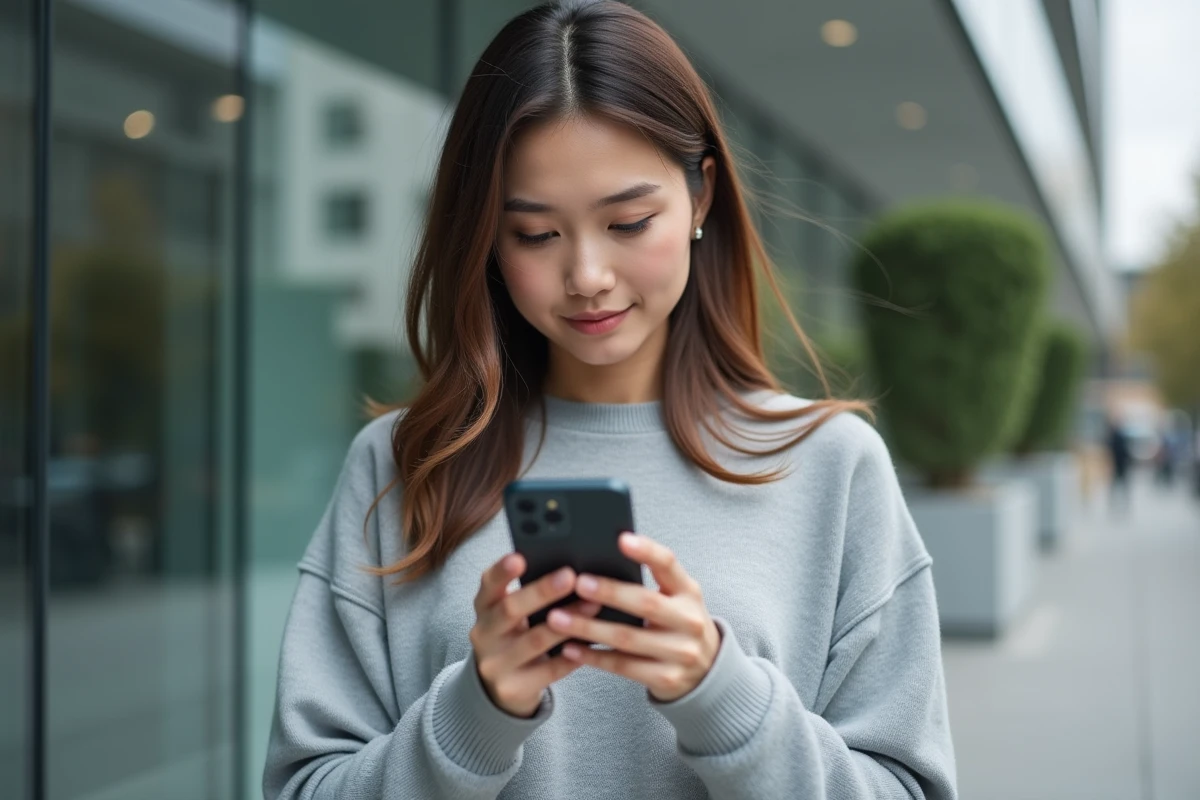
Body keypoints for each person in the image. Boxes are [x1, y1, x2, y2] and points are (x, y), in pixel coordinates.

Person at [263, 3, 957, 798]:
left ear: (700, 196)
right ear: (486, 237)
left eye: (628, 221)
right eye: (534, 234)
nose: (587, 274)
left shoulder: (830, 467)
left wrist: (722, 695)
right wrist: (474, 713)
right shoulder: (402, 466)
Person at [1107, 415, 1132, 511]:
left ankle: (1120, 505)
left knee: (1120, 486)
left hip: (1120, 464)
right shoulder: (1117, 436)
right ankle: (1118, 504)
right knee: (1119, 486)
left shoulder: (1117, 436)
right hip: (1119, 464)